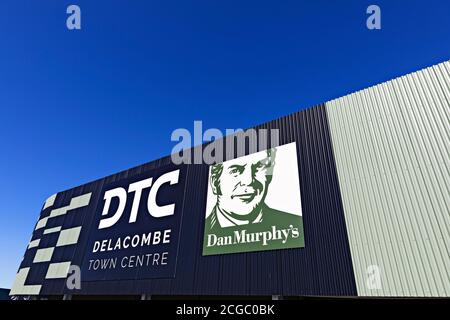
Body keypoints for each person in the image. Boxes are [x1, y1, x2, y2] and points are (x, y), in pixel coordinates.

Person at [205, 147, 299, 233]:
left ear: (269, 176)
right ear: (215, 183)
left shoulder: (293, 224)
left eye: (259, 167)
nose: (249, 181)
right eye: (235, 170)